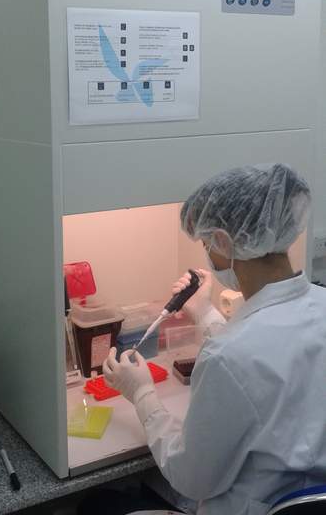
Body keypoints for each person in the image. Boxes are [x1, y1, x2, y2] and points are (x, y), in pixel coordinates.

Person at [103, 163, 324, 515]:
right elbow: (270, 356)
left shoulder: (228, 355)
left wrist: (142, 394)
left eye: (206, 242)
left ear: (222, 240)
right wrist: (204, 312)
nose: (206, 252)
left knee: (101, 504)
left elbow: (191, 478)